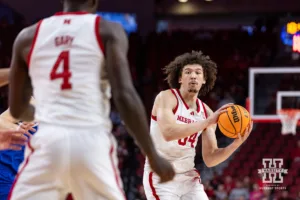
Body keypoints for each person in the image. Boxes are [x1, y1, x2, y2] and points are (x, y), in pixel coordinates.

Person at [8, 0, 175, 199]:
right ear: (94, 1)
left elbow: (17, 110)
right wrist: (152, 155)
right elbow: (124, 95)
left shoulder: (27, 36)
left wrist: (45, 112)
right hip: (91, 140)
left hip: (47, 141)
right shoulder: (108, 30)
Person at [143, 51, 253, 200]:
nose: (193, 76)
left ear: (204, 80)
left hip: (189, 179)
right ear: (180, 78)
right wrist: (206, 122)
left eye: (198, 72)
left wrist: (235, 144)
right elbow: (168, 133)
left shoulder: (206, 112)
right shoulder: (167, 97)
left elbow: (210, 158)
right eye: (188, 72)